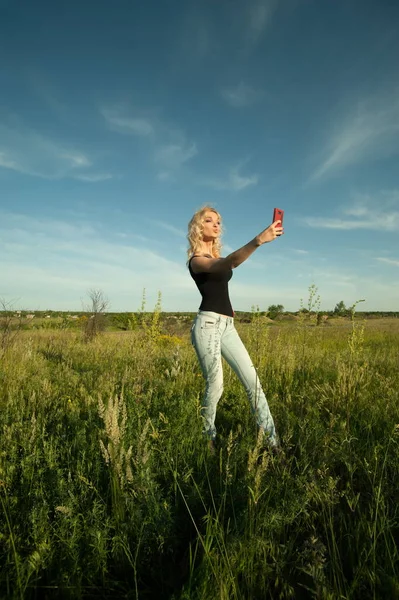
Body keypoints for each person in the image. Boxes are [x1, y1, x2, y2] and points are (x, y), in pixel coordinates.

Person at [187, 205, 284, 453]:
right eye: (209, 220)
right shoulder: (197, 261)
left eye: (218, 221)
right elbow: (230, 263)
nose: (216, 224)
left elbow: (227, 262)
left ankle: (273, 445)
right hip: (207, 325)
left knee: (253, 382)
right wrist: (258, 241)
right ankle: (207, 439)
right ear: (199, 227)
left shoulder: (215, 258)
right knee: (216, 384)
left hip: (227, 326)